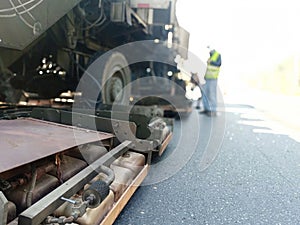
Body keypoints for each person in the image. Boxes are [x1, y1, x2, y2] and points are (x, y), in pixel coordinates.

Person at [201, 48, 222, 117]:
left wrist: (211, 62)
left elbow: (218, 64)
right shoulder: (211, 56)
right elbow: (209, 68)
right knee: (205, 93)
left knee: (212, 94)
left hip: (213, 78)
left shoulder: (217, 55)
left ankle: (213, 110)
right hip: (207, 78)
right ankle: (207, 109)